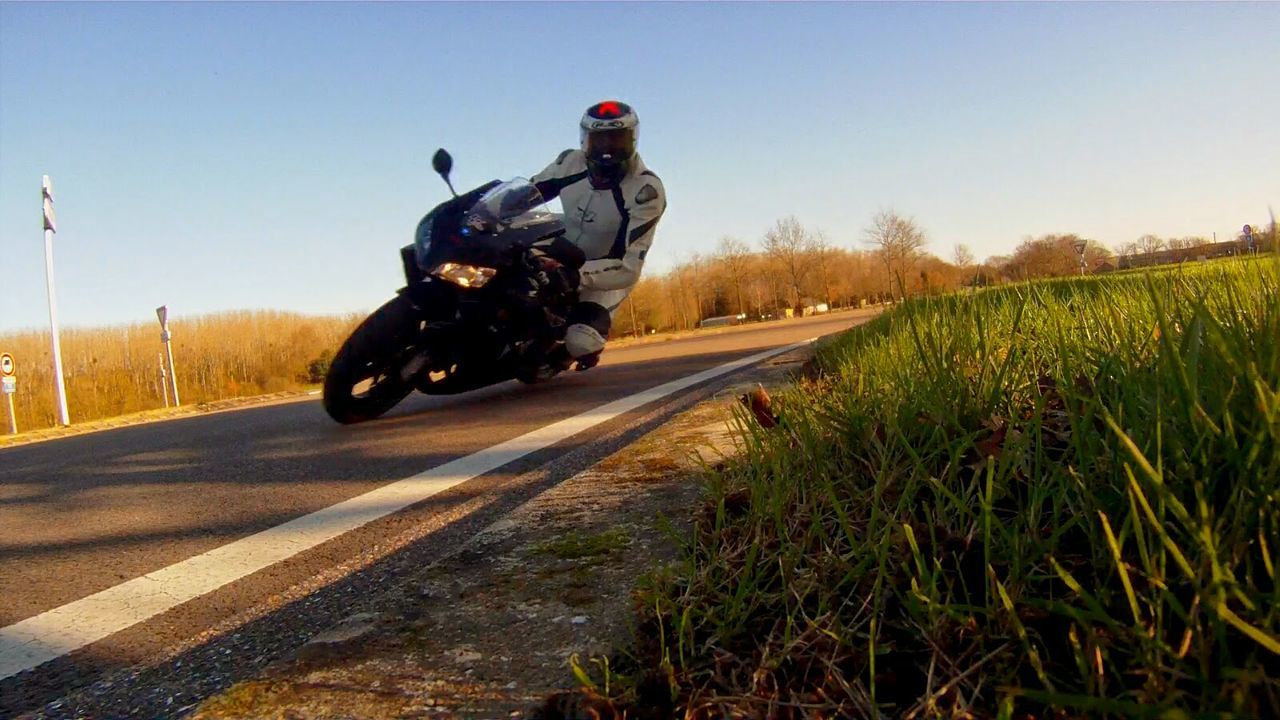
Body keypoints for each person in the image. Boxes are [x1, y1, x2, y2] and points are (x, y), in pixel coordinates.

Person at [529, 100, 666, 371]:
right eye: (598, 140)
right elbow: (528, 194)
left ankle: (564, 355)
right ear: (585, 140)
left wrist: (578, 275)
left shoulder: (645, 190)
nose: (606, 149)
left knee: (581, 341)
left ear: (633, 140)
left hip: (604, 269)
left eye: (616, 139)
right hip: (561, 240)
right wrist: (480, 208)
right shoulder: (569, 162)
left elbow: (629, 267)